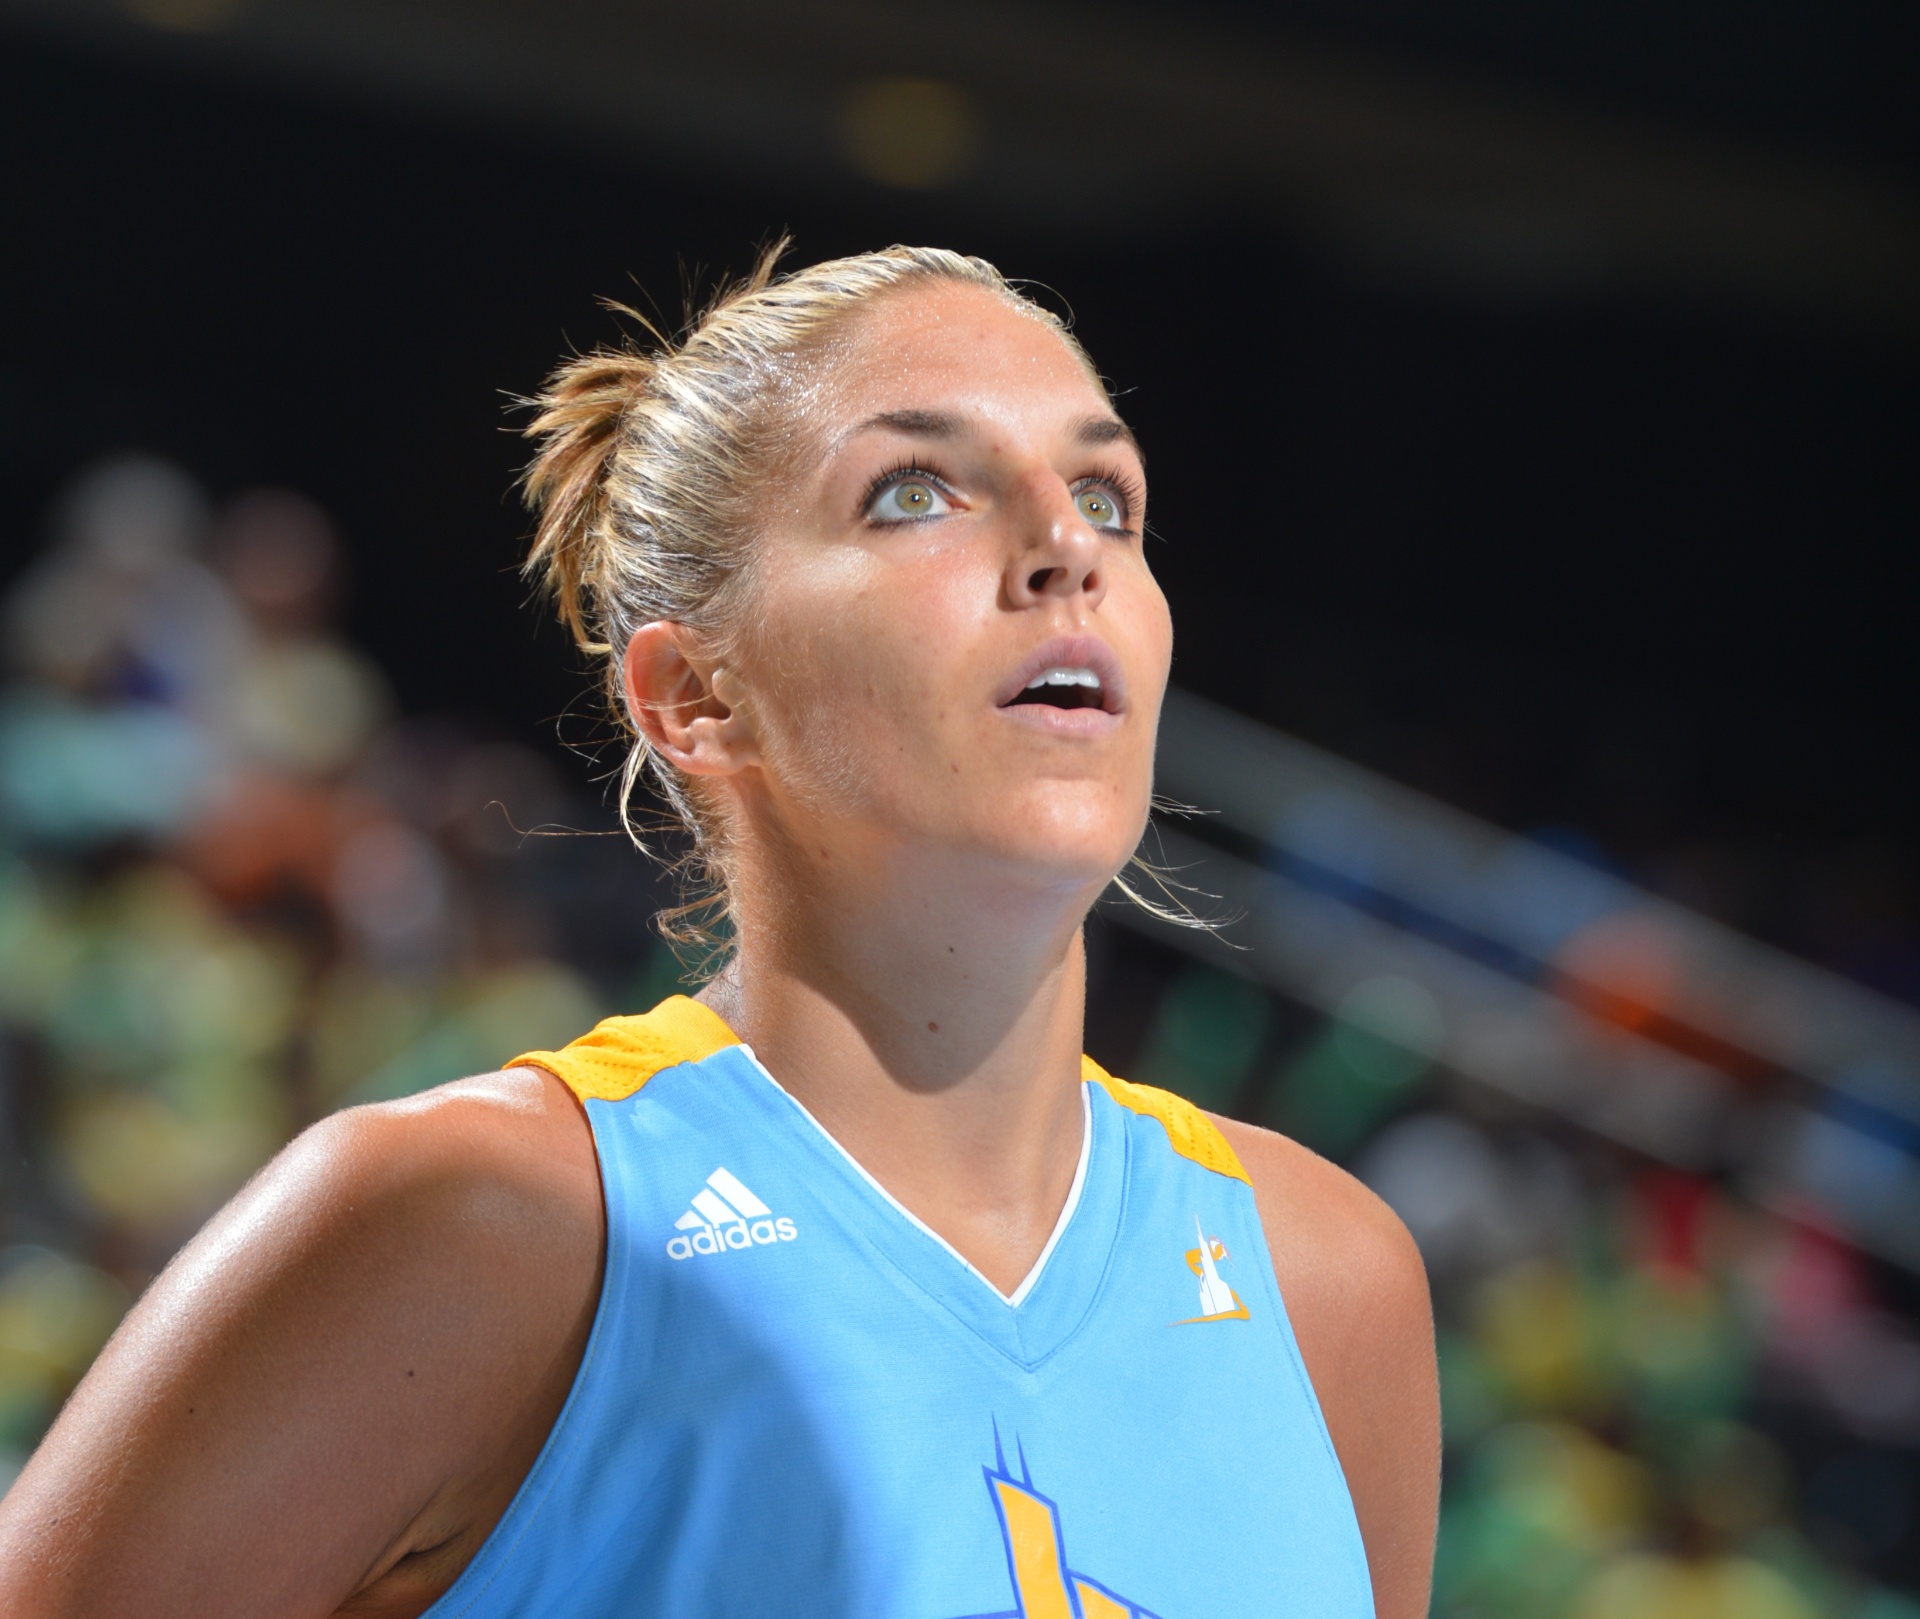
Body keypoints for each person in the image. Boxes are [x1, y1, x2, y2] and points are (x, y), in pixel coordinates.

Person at [0, 246, 1439, 1617]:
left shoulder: (1330, 1283)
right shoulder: (482, 1225)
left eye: (1107, 497)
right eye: (916, 491)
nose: (1066, 546)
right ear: (695, 696)